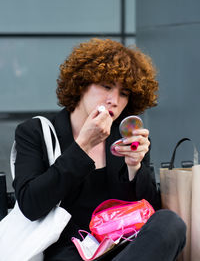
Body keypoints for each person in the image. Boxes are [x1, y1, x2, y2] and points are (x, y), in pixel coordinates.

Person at [13, 38, 186, 261]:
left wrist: (135, 167)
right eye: (106, 86)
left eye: (123, 93)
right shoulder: (36, 131)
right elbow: (30, 205)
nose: (114, 100)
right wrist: (83, 146)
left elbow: (147, 212)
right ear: (81, 84)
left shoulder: (127, 136)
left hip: (124, 248)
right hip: (69, 251)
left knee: (169, 223)